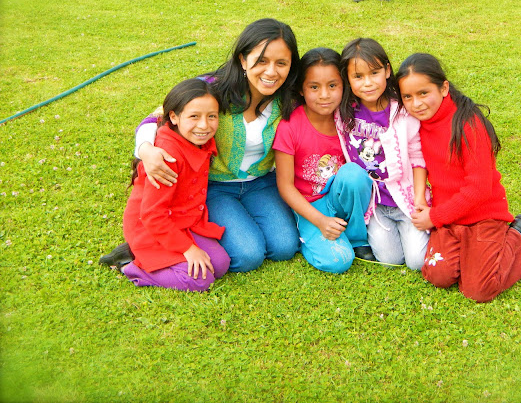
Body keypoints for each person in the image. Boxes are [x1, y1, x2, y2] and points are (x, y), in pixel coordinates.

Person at [100, 19, 301, 273]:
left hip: (261, 183)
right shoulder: (212, 88)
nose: (271, 72)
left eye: (281, 63)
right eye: (261, 61)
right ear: (243, 59)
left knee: (284, 247)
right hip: (214, 186)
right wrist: (146, 150)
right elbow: (156, 117)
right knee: (248, 255)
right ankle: (150, 246)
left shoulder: (290, 98)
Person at [396, 52, 521, 303]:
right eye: (407, 97)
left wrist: (435, 217)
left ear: (444, 88)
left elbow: (479, 189)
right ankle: (475, 256)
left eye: (423, 93)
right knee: (438, 275)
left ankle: (519, 236)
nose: (416, 103)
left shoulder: (468, 124)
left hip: (482, 215)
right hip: (450, 219)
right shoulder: (416, 123)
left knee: (478, 290)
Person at [118, 78, 230, 291]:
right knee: (200, 280)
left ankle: (168, 255)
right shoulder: (166, 157)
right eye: (194, 116)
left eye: (212, 116)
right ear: (174, 117)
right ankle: (132, 268)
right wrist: (188, 249)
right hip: (150, 226)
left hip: (182, 220)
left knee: (220, 264)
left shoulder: (199, 140)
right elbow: (152, 214)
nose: (204, 125)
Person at [273, 48, 373, 273]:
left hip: (340, 195)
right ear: (301, 89)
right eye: (314, 87)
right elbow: (285, 186)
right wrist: (319, 221)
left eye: (332, 85)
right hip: (309, 205)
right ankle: (309, 235)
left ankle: (357, 238)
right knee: (339, 260)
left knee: (354, 174)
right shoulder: (289, 127)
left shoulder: (350, 119)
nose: (324, 95)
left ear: (344, 85)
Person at [336, 38, 430, 269]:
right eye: (358, 76)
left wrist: (419, 198)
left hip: (404, 200)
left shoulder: (402, 111)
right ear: (347, 79)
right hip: (375, 205)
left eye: (374, 73)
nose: (368, 83)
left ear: (387, 71)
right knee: (390, 260)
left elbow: (417, 157)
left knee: (417, 262)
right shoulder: (343, 112)